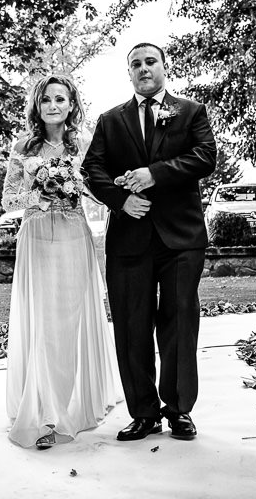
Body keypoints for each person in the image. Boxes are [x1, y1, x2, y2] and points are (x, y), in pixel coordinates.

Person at [83, 43, 216, 442]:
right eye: (135, 64)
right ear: (129, 73)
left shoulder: (191, 111)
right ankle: (143, 413)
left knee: (179, 322)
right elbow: (93, 169)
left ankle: (178, 410)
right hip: (129, 240)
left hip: (181, 238)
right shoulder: (110, 120)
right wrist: (122, 199)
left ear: (164, 66)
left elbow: (205, 157)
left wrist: (153, 174)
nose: (143, 68)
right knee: (131, 326)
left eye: (150, 61)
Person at [2, 74, 119, 449]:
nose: (53, 105)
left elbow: (99, 192)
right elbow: (8, 202)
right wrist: (38, 196)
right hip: (36, 239)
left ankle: (69, 406)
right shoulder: (23, 145)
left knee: (68, 323)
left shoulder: (84, 143)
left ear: (72, 105)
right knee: (43, 324)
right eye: (46, 100)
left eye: (61, 99)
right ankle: (44, 413)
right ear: (37, 106)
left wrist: (74, 184)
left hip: (72, 237)